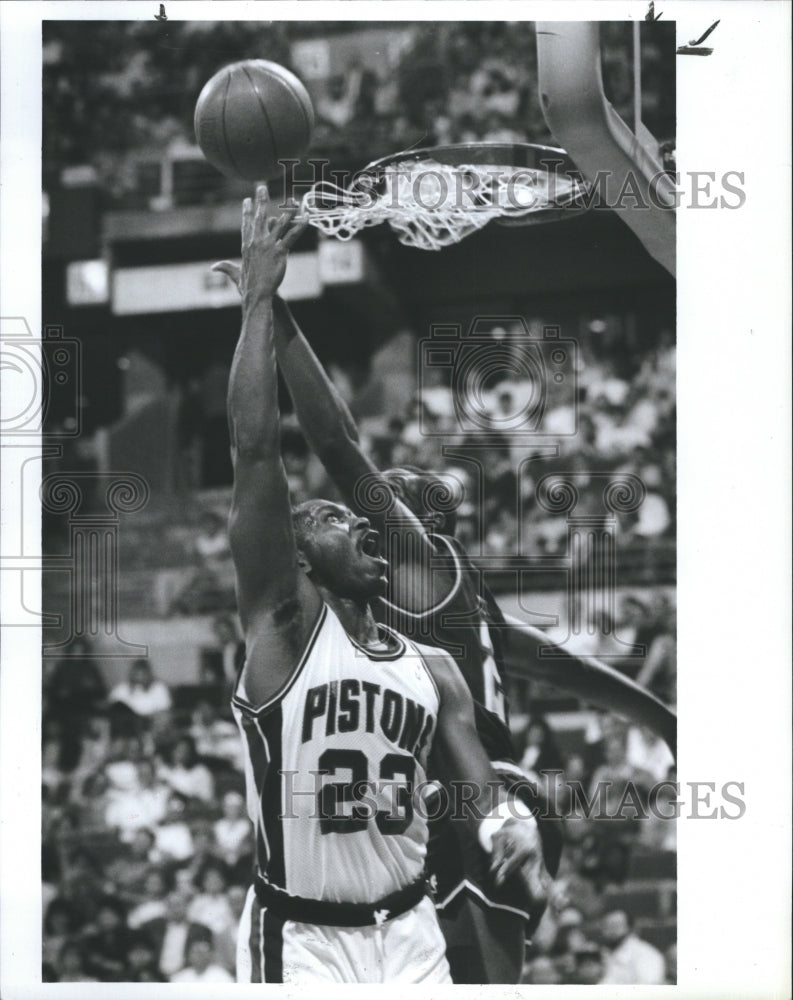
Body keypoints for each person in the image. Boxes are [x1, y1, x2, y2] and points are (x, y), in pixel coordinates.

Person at [215, 195, 675, 985]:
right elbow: (565, 670)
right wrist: (667, 719)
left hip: (463, 809)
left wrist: (271, 308)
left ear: (420, 525)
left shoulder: (421, 569)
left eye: (388, 497)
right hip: (471, 807)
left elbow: (332, 441)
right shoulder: (465, 616)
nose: (369, 501)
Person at [598, 909, 665, 985]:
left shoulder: (647, 954)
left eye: (616, 926)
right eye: (606, 926)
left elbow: (649, 989)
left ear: (630, 928)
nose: (610, 931)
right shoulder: (603, 952)